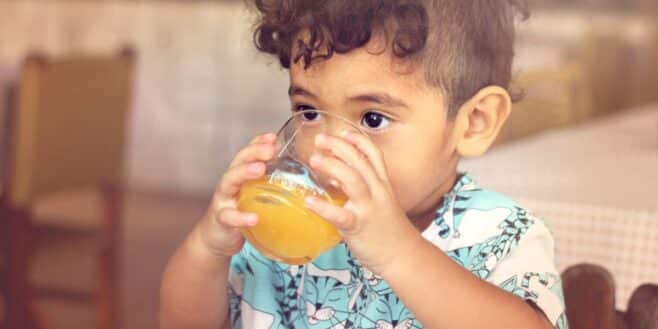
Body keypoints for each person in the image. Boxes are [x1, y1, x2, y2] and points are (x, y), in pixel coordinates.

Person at [160, 1, 568, 328]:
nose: (325, 147)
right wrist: (208, 249)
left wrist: (397, 252)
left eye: (373, 119)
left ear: (473, 122)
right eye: (308, 112)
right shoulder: (284, 237)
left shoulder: (501, 235)